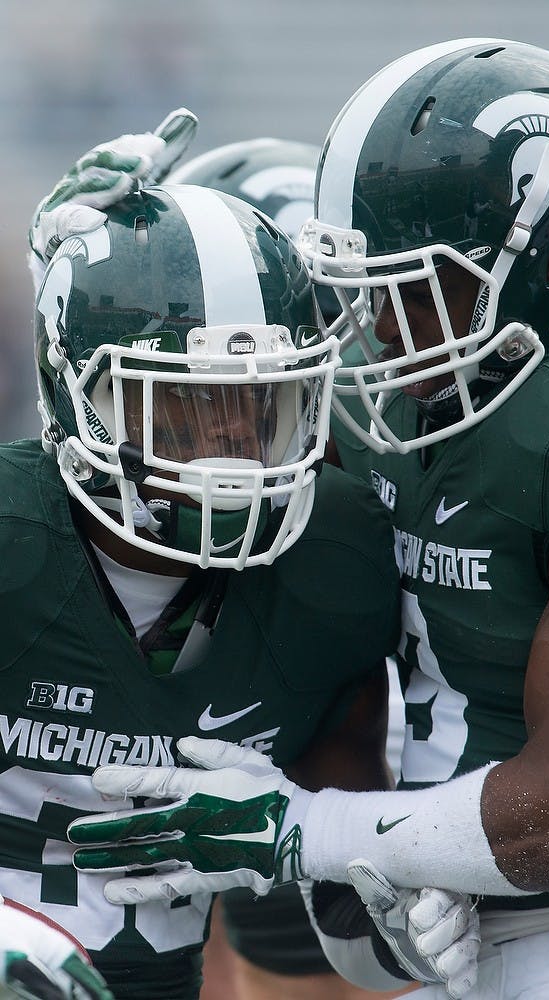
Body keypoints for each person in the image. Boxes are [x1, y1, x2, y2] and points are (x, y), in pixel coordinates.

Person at [60, 38, 549, 1000]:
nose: (381, 328)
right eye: (367, 288)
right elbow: (176, 455)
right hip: (456, 912)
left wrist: (307, 832)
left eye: (416, 288)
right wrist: (84, 279)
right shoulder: (412, 399)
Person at [25, 118, 427, 1000]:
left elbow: (328, 939)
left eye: (258, 408)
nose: (225, 451)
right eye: (179, 408)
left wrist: (397, 904)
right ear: (77, 397)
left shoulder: (340, 560)